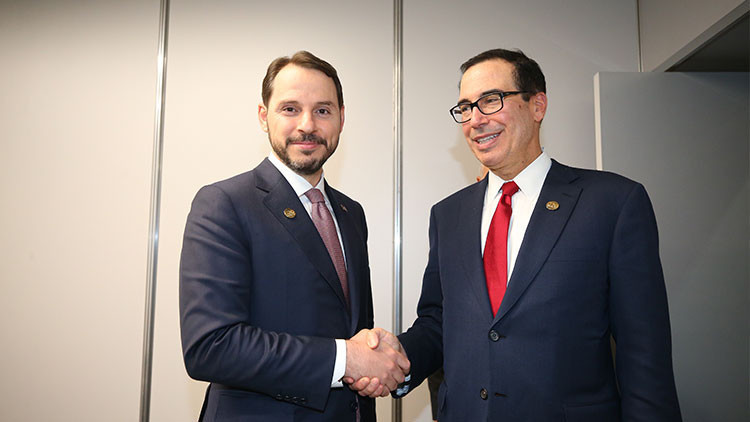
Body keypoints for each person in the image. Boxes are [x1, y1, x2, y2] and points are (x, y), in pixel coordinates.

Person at [354, 48, 682, 420]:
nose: (475, 119)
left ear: (537, 105)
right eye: (465, 107)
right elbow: (439, 323)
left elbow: (644, 351)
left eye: (490, 101)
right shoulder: (448, 215)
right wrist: (396, 358)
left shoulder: (612, 203)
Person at [179, 51, 409, 422]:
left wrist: (373, 354)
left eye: (323, 110)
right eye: (290, 109)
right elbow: (211, 346)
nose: (307, 125)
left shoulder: (351, 213)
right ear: (263, 116)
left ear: (341, 118)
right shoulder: (224, 203)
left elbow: (348, 329)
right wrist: (346, 359)